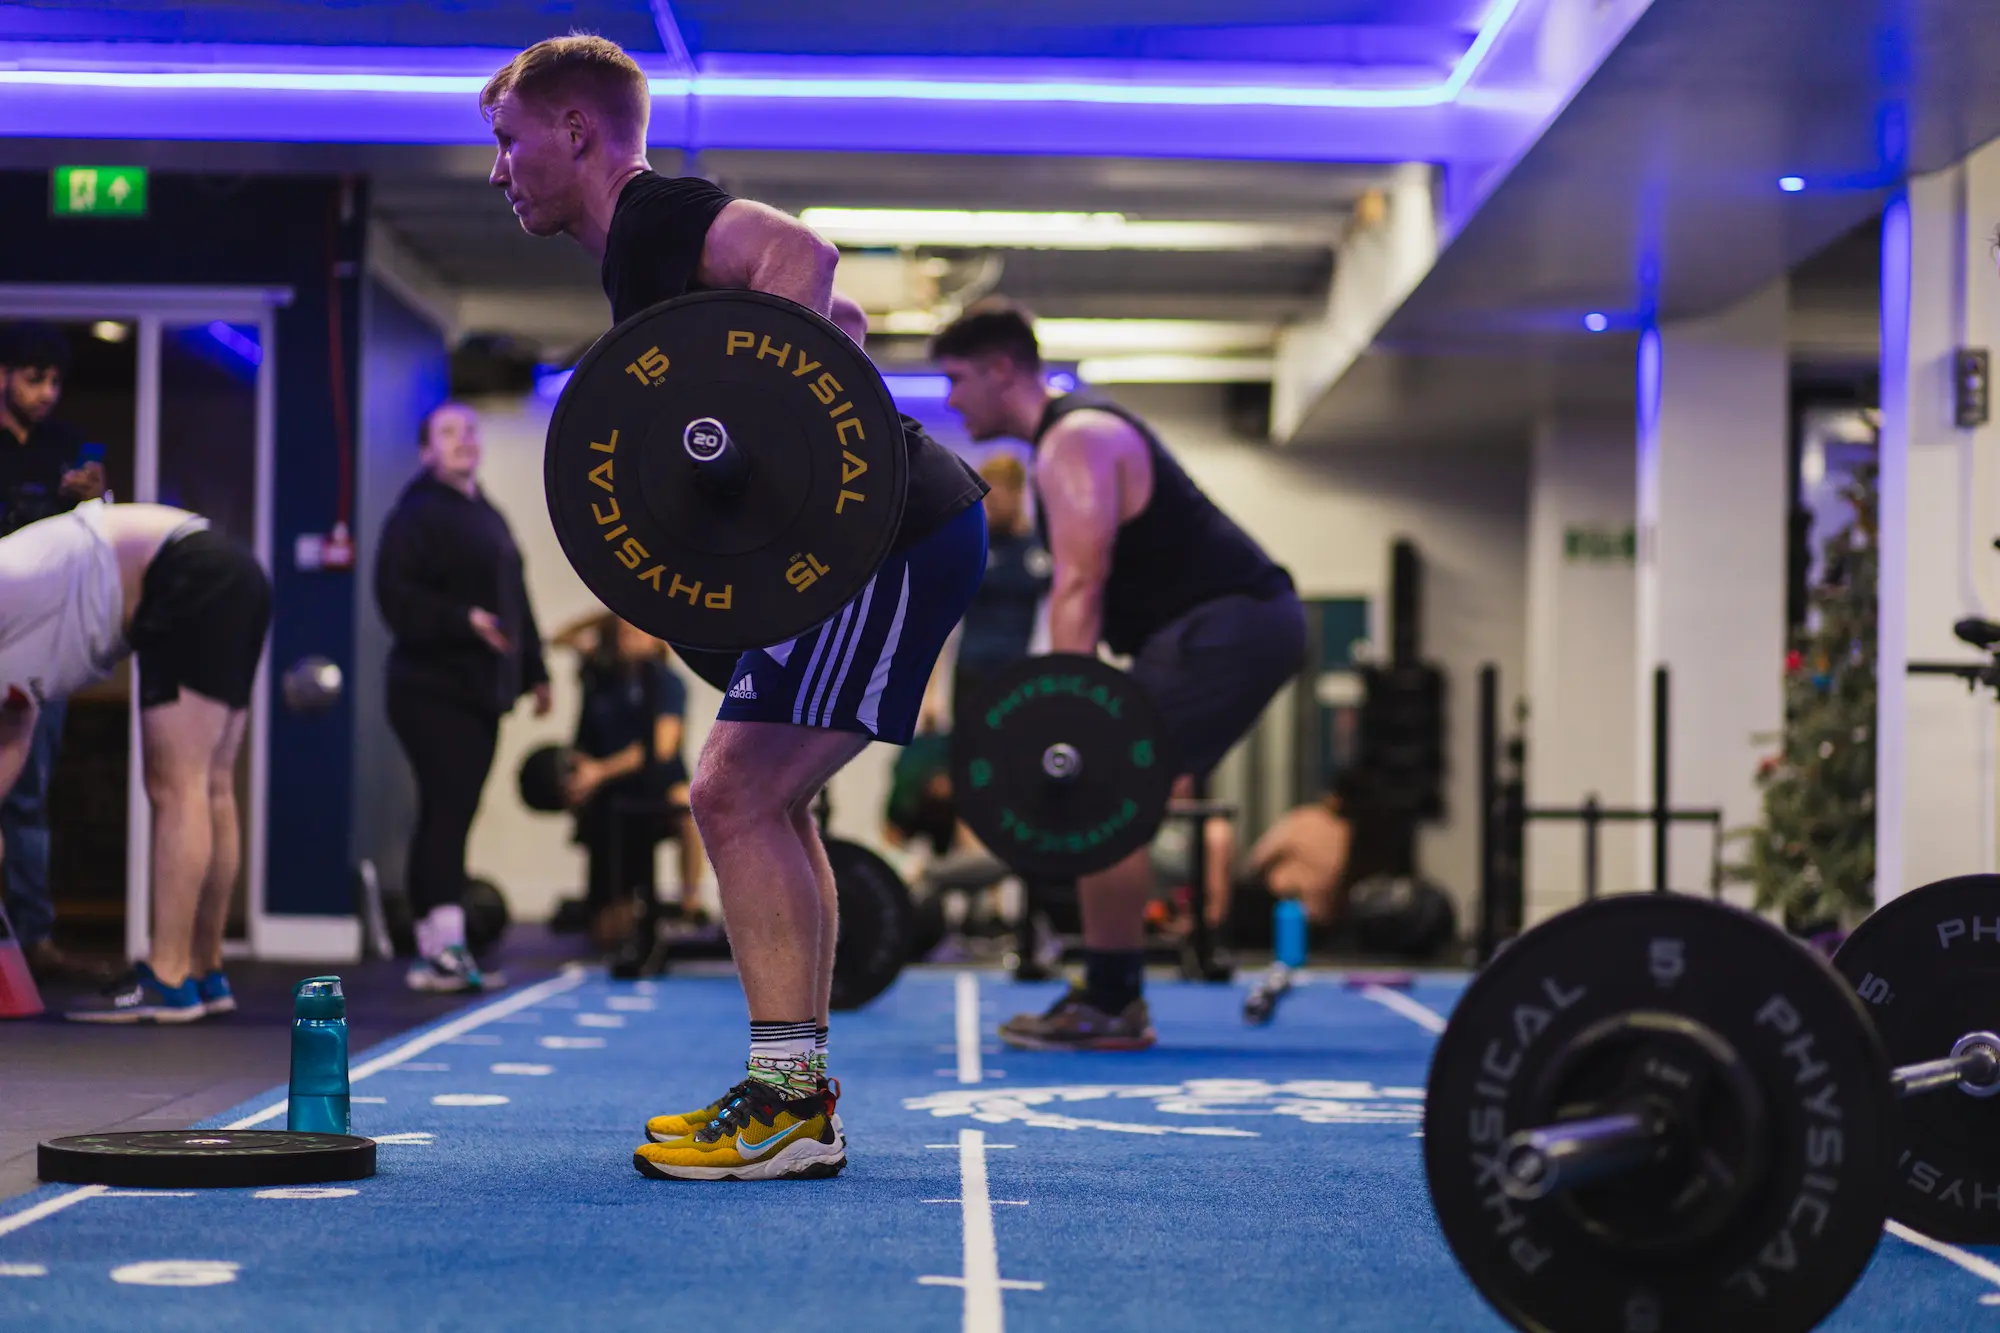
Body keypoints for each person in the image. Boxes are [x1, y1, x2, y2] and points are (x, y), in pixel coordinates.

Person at [483, 33, 987, 1181]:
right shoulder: (636, 265)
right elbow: (842, 331)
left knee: (730, 791)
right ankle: (790, 1094)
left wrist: (767, 422)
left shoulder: (658, 214)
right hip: (880, 543)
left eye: (509, 142)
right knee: (771, 804)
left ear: (575, 129)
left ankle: (787, 1107)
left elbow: (804, 257)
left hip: (892, 535)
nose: (500, 172)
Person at [932, 300, 1308, 1052]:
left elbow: (1081, 583)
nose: (951, 399)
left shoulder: (1077, 437)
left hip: (1231, 623)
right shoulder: (1067, 442)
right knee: (1109, 783)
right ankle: (1111, 994)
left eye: (957, 378)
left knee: (1100, 778)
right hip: (1217, 627)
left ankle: (1112, 1001)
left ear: (1003, 369)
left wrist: (1070, 715)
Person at [0, 499, 270, 1022]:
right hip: (227, 571)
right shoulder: (18, 646)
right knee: (210, 784)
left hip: (187, 571)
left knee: (177, 785)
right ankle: (202, 972)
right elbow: (15, 725)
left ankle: (167, 978)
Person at [375, 401, 551, 994]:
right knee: (447, 811)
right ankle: (443, 948)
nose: (464, 440)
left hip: (479, 690)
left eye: (470, 430)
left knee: (449, 813)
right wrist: (461, 618)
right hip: (429, 688)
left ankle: (436, 947)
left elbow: (515, 597)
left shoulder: (487, 515)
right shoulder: (415, 514)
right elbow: (394, 596)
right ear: (427, 450)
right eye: (449, 433)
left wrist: (537, 671)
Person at [0, 323, 110, 985]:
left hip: (40, 644)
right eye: (33, 378)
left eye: (54, 382)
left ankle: (32, 938)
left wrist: (94, 500)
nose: (45, 393)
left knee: (30, 795)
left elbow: (95, 543)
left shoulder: (67, 447)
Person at [551, 611, 702, 938]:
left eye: (637, 630)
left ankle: (690, 906)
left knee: (688, 809)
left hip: (657, 785)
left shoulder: (667, 682)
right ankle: (610, 901)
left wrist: (599, 772)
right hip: (612, 794)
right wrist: (618, 604)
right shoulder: (600, 677)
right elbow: (560, 637)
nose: (628, 635)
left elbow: (660, 748)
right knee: (608, 932)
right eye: (622, 631)